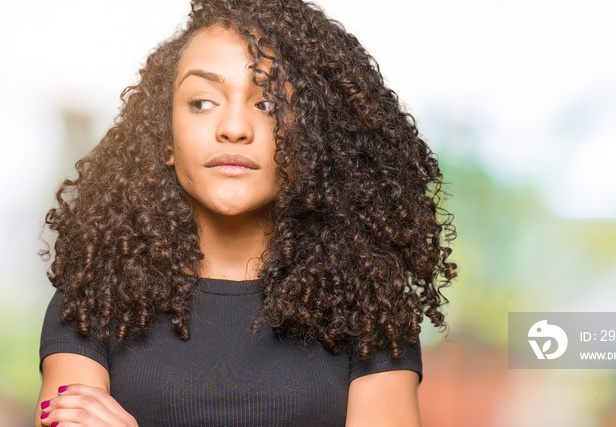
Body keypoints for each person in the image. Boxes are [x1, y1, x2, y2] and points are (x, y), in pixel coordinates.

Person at [36, 0, 456, 425]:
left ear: (309, 137)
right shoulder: (94, 296)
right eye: (201, 102)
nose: (234, 128)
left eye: (268, 104)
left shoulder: (369, 306)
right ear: (165, 137)